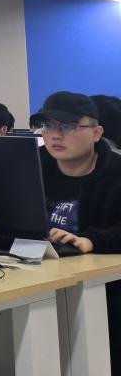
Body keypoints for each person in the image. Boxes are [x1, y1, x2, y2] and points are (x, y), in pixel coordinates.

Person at [35, 91, 121, 365]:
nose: (55, 135)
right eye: (48, 126)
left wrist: (91, 240)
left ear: (96, 133)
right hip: (37, 278)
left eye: (69, 127)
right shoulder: (32, 164)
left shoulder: (116, 173)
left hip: (102, 292)